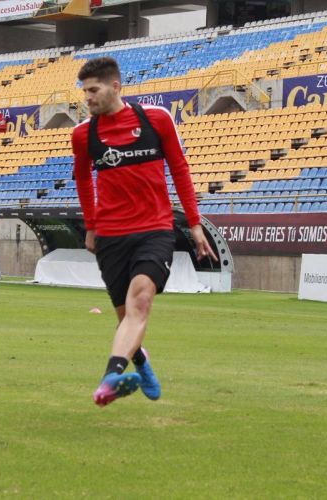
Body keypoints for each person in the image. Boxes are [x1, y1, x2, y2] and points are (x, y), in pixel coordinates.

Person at [72, 56, 217, 407]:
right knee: (126, 318)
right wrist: (90, 227)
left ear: (115, 86)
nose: (87, 98)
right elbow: (82, 181)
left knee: (140, 301)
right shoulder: (82, 134)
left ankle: (109, 379)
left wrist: (195, 224)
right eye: (84, 92)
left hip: (155, 229)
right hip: (111, 235)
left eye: (93, 90)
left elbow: (180, 169)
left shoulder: (156, 119)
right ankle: (142, 364)